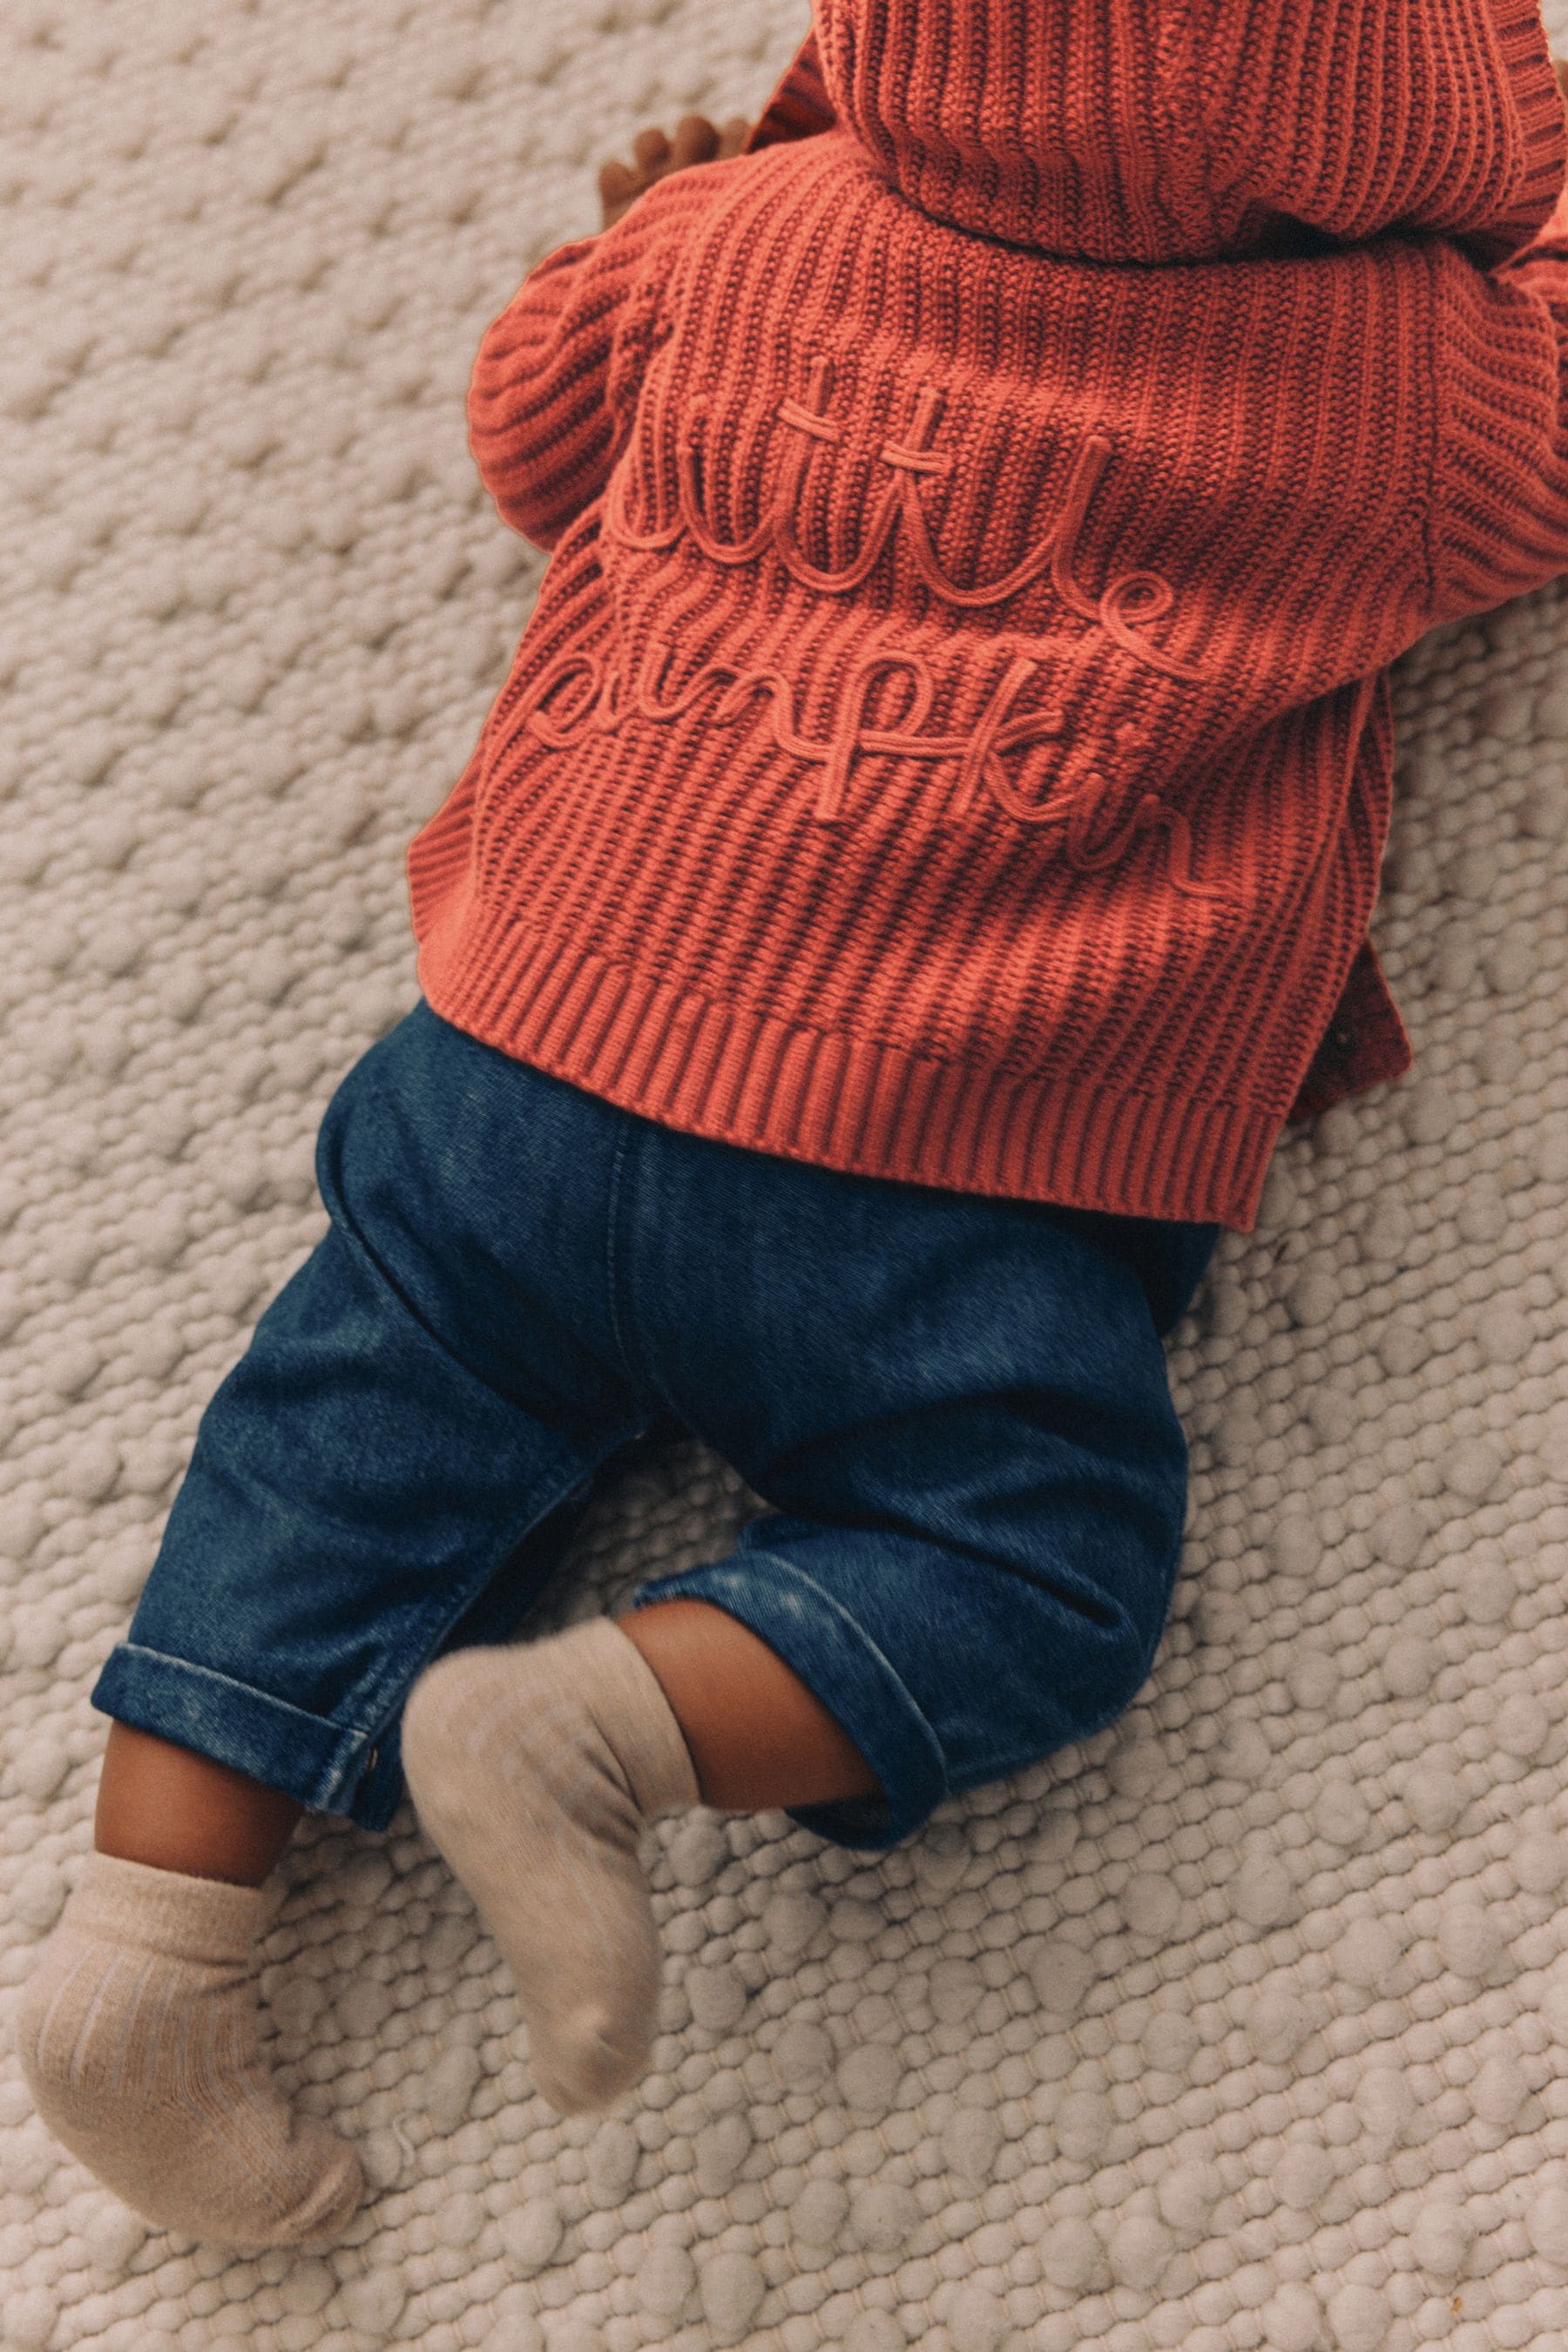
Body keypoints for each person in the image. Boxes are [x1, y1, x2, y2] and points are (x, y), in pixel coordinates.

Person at [17, 0, 1568, 2254]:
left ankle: (141, 1953)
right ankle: (597, 1729)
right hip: (947, 1172)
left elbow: (527, 429)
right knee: (1033, 1556)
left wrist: (660, 224)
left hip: (535, 1054)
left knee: (333, 1430)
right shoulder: (1414, 390)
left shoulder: (740, 234)